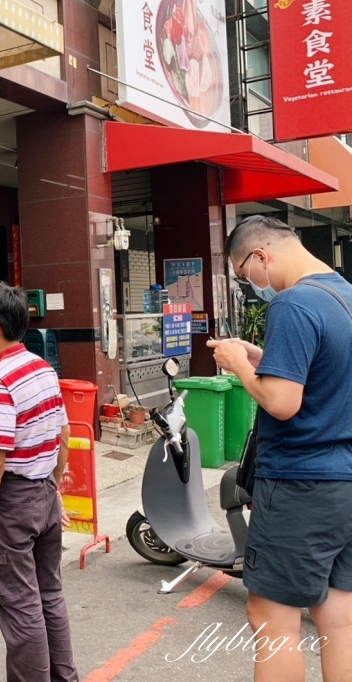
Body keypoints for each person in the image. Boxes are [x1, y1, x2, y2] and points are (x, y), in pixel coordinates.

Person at [208, 215, 352, 682]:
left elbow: (282, 402)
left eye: (243, 274)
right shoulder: (345, 296)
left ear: (260, 256)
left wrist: (237, 363)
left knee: (272, 620)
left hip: (300, 483)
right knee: (340, 620)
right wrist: (260, 358)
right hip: (345, 482)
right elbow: (327, 375)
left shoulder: (293, 303)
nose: (250, 284)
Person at [0, 282, 77, 682]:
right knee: (50, 596)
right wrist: (55, 488)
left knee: (21, 606)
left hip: (13, 501)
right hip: (43, 492)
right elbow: (64, 434)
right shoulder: (41, 367)